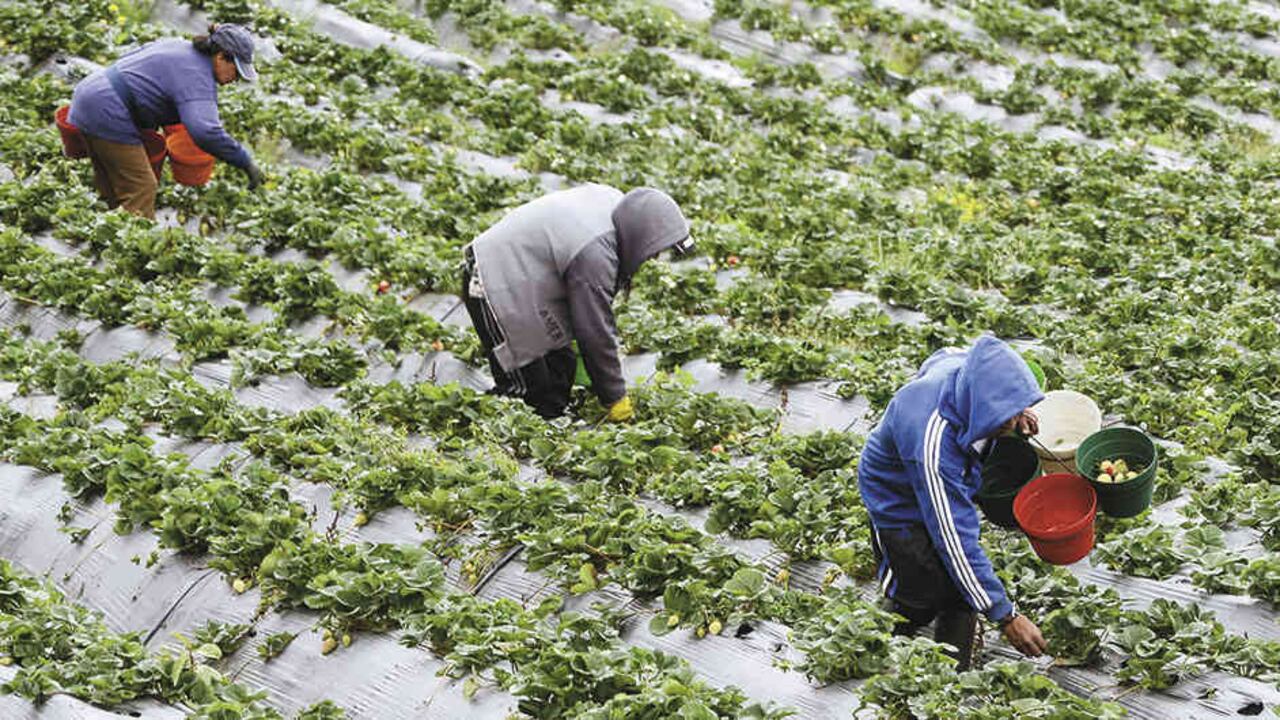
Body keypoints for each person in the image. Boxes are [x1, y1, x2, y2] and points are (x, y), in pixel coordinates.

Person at [858, 335, 1049, 670]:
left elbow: (942, 354)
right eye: (1002, 416)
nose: (1009, 422)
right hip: (897, 499)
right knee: (917, 593)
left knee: (961, 595)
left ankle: (951, 677)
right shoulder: (935, 447)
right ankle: (877, 643)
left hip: (931, 470)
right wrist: (1006, 616)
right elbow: (954, 539)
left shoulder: (965, 371)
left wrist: (1018, 413)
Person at [461, 183, 693, 420]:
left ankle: (549, 426)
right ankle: (488, 443)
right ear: (641, 236)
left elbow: (586, 311)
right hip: (491, 282)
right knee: (525, 398)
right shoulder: (595, 253)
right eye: (652, 250)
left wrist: (588, 368)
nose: (651, 257)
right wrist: (614, 396)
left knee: (559, 375)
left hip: (527, 283)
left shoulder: (617, 208)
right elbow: (594, 327)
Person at [67, 24, 264, 219]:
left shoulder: (179, 46)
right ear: (221, 56)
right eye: (236, 71)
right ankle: (133, 246)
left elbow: (137, 68)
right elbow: (205, 131)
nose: (236, 79)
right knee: (142, 188)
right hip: (108, 112)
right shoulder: (198, 77)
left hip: (90, 94)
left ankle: (103, 233)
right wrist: (245, 161)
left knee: (112, 184)